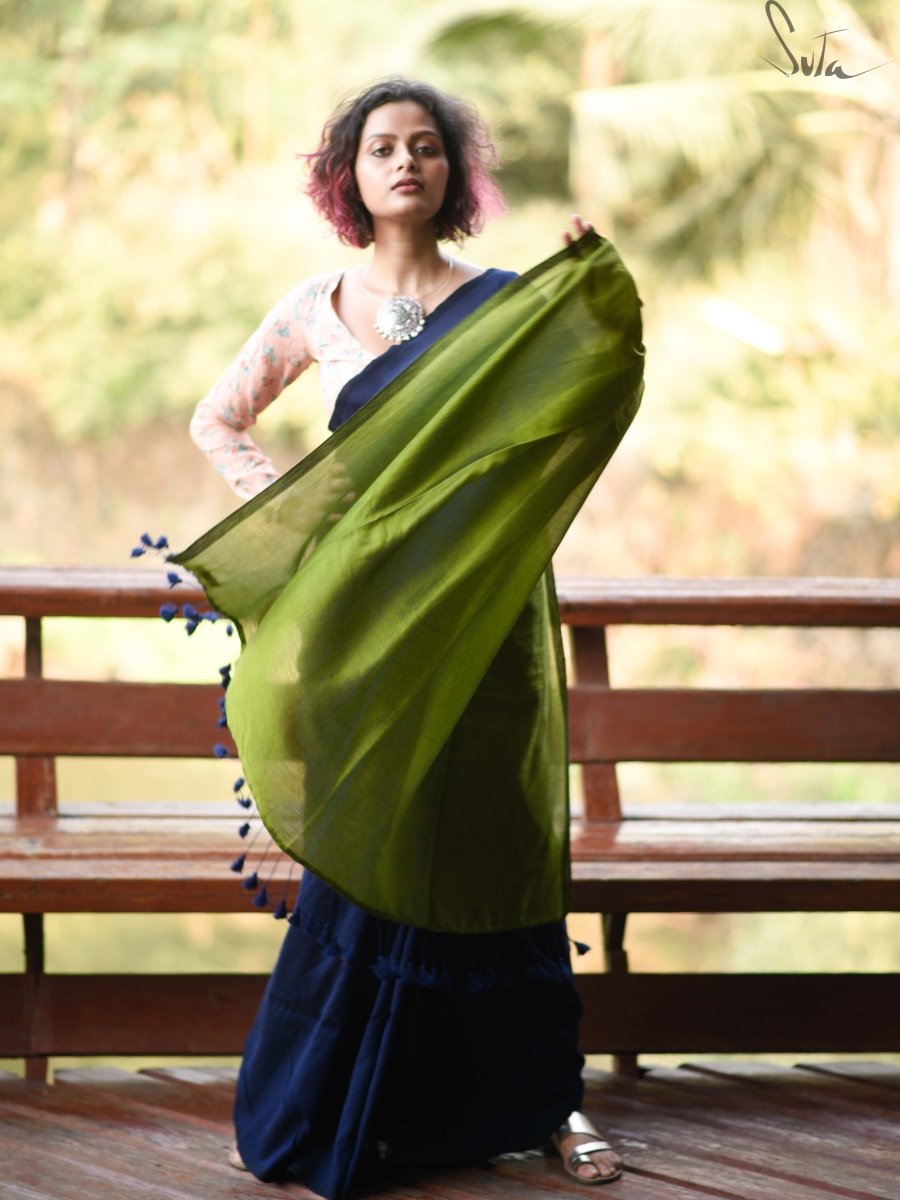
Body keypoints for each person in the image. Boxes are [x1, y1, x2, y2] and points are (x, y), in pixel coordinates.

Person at [182, 77, 642, 1196]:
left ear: (453, 173)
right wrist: (299, 520)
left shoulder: (503, 306)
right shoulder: (313, 308)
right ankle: (348, 1102)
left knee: (493, 846)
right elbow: (217, 418)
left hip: (485, 622)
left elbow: (586, 396)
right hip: (362, 627)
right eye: (382, 147)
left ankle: (547, 1101)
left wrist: (587, 293)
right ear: (348, 174)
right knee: (375, 845)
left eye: (426, 146)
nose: (405, 163)